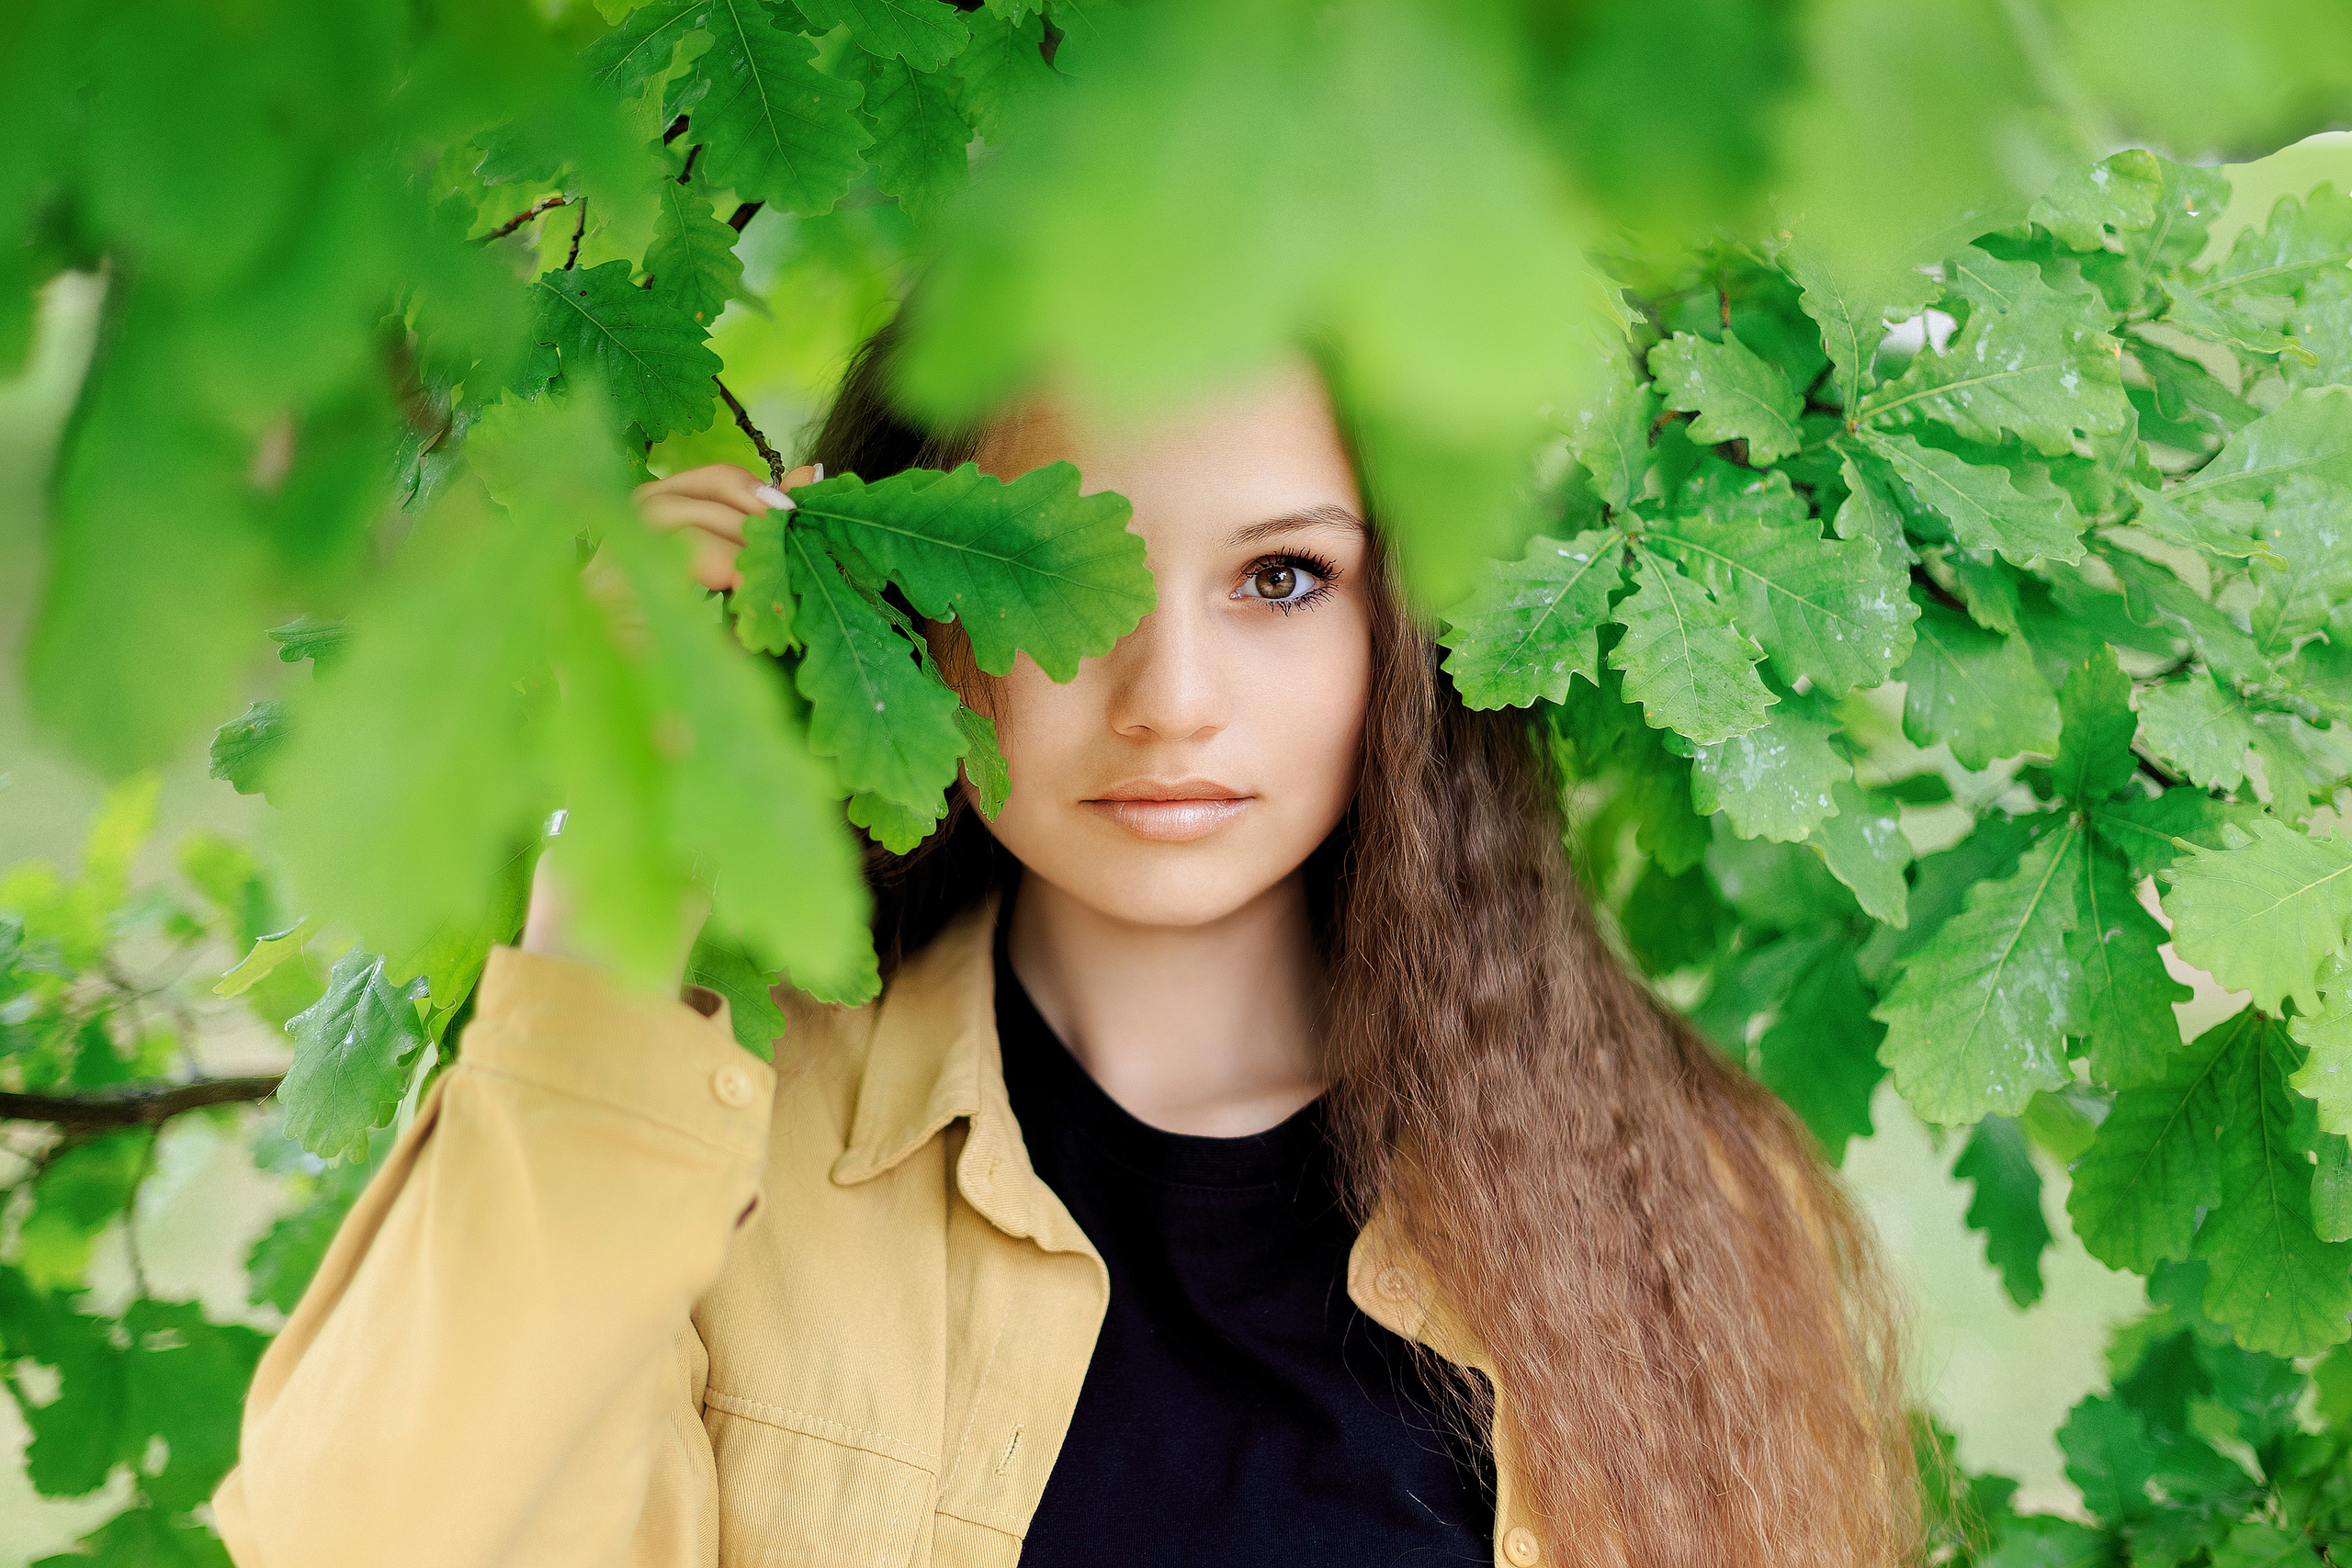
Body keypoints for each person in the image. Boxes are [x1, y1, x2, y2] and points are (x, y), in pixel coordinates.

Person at [214, 322, 1915, 1568]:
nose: (1170, 702)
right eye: (1056, 577)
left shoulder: (1679, 1201)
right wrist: (608, 898)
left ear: (1409, 627)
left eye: (1282, 581)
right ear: (905, 597)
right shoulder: (724, 1155)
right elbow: (365, 1539)